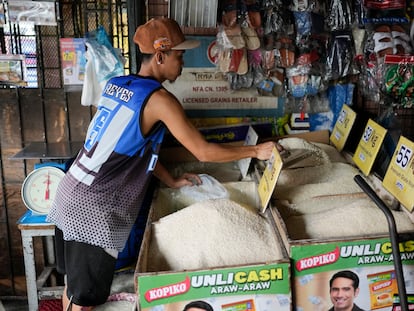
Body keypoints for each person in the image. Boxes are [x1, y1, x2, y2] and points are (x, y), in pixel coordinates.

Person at [47, 17, 278, 311]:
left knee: (74, 288)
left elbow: (133, 149)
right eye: (178, 56)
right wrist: (256, 151)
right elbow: (203, 152)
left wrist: (171, 180)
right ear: (159, 56)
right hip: (95, 209)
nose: (181, 63)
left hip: (71, 192)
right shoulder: (160, 100)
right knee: (86, 300)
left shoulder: (116, 85)